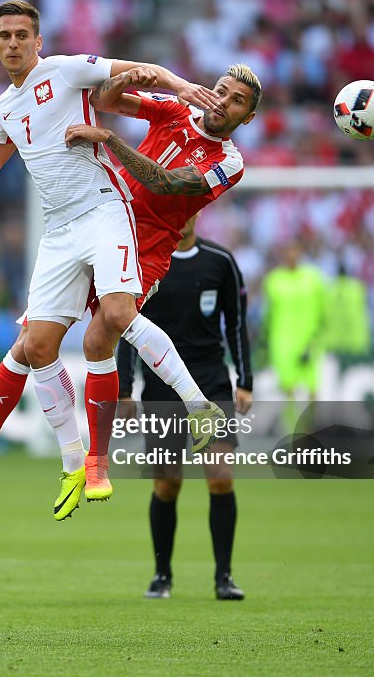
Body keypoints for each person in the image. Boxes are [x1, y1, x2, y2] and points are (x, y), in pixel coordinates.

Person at [0, 0, 226, 522]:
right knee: (38, 345)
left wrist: (181, 87)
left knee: (115, 316)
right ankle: (70, 461)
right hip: (59, 230)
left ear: (38, 41)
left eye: (23, 34)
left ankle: (197, 408)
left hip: (103, 209)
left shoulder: (65, 70)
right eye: (6, 35)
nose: (15, 42)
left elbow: (139, 72)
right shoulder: (6, 105)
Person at [0, 56, 262, 521]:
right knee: (32, 345)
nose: (223, 102)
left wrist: (109, 140)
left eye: (237, 102)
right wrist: (130, 77)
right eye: (222, 90)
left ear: (246, 118)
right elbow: (106, 98)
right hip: (103, 215)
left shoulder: (229, 162)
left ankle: (103, 459)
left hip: (148, 245)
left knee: (104, 328)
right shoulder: (175, 109)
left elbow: (167, 184)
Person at [116, 213, 253, 601]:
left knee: (220, 475)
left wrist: (245, 381)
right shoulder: (145, 262)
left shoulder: (220, 262)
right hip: (160, 386)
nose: (186, 211)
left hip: (210, 381)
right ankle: (162, 575)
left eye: (191, 204)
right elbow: (126, 326)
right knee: (167, 483)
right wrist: (125, 388)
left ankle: (224, 577)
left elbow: (237, 324)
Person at [262, 241, 326, 405]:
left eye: (294, 250)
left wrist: (318, 336)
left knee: (312, 387)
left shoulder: (314, 278)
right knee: (288, 387)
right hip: (282, 341)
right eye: (287, 251)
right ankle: (292, 426)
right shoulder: (274, 280)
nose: (291, 255)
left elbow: (323, 311)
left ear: (301, 252)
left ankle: (312, 425)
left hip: (309, 340)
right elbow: (267, 314)